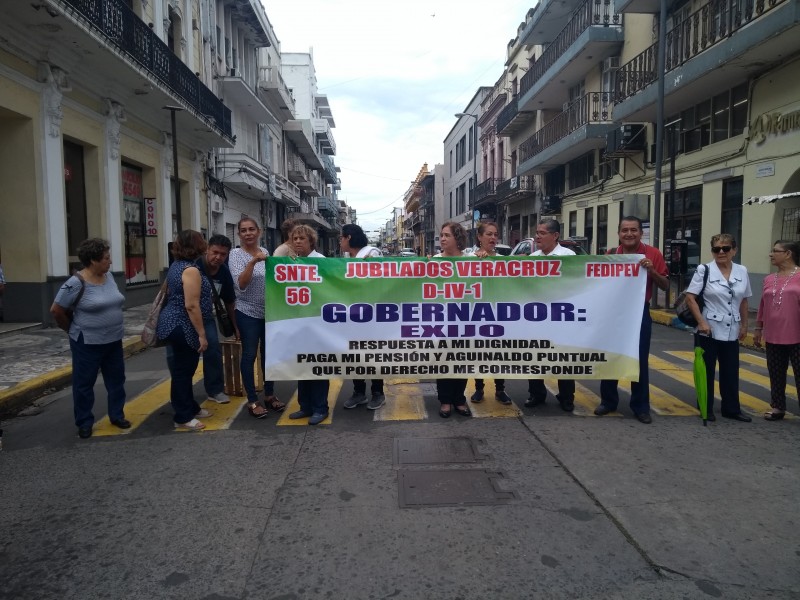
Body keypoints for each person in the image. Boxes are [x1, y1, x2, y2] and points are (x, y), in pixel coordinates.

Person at [51, 238, 128, 439]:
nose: (110, 262)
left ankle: (117, 415)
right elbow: (56, 310)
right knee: (84, 384)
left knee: (117, 380)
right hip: (88, 342)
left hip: (113, 340)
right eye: (106, 258)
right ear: (93, 260)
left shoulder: (109, 277)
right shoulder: (75, 283)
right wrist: (72, 330)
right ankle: (84, 422)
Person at [595, 216, 669, 424]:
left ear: (640, 232)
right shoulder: (610, 255)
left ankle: (640, 406)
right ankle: (608, 402)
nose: (629, 234)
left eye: (633, 230)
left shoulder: (653, 254)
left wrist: (651, 270)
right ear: (619, 233)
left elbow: (664, 285)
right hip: (613, 313)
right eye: (625, 230)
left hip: (639, 312)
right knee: (610, 356)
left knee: (639, 359)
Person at [684, 234, 752, 422]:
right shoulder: (704, 270)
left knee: (730, 371)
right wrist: (701, 322)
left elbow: (744, 300)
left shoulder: (742, 271)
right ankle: (705, 406)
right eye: (716, 249)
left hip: (732, 328)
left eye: (726, 248)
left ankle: (732, 408)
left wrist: (745, 325)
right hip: (709, 329)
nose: (721, 252)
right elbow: (690, 298)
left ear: (734, 250)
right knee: (706, 369)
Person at [156, 230, 214, 430]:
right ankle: (182, 416)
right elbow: (191, 305)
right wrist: (201, 334)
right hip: (182, 325)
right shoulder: (191, 270)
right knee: (183, 371)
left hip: (175, 323)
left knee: (186, 369)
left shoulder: (177, 266)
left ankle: (191, 406)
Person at [229, 217, 285, 418]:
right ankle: (252, 400)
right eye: (243, 230)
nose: (248, 233)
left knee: (269, 355)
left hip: (268, 312)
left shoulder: (266, 253)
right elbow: (241, 284)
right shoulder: (235, 255)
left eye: (251, 229)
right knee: (249, 355)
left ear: (259, 231)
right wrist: (252, 262)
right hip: (247, 312)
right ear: (239, 234)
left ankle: (269, 395)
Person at [526, 218, 577, 412]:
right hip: (537, 316)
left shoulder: (569, 256)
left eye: (542, 233)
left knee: (563, 356)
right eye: (537, 233)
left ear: (555, 235)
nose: (537, 236)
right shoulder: (533, 258)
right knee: (535, 355)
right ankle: (536, 393)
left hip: (561, 314)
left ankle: (566, 396)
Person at [339, 223, 386, 410]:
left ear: (349, 237)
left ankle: (377, 392)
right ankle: (359, 392)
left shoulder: (371, 253)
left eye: (341, 238)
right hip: (354, 313)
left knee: (373, 353)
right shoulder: (349, 257)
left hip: (372, 314)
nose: (340, 242)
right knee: (355, 354)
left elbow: (375, 282)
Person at [287, 225, 330, 425]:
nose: (297, 242)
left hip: (318, 322)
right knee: (301, 364)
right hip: (298, 321)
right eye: (294, 238)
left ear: (310, 241)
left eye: (301, 238)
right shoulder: (290, 261)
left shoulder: (321, 261)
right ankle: (305, 406)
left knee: (318, 366)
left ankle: (320, 408)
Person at [754, 240, 800, 421]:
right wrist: (758, 327)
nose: (771, 254)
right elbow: (762, 305)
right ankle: (778, 406)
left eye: (775, 251)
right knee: (775, 371)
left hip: (796, 334)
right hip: (773, 334)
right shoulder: (768, 279)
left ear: (788, 254)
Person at [471, 221, 512, 405]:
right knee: (479, 352)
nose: (493, 238)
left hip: (499, 312)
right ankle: (479, 388)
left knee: (498, 352)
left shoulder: (504, 259)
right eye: (489, 234)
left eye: (495, 234)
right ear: (479, 237)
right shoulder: (470, 258)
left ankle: (500, 389)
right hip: (477, 311)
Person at [434, 222, 472, 418]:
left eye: (447, 235)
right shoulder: (434, 261)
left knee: (462, 360)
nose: (442, 239)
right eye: (441, 235)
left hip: (465, 318)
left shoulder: (471, 261)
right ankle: (445, 400)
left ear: (457, 239)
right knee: (444, 360)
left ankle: (459, 399)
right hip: (442, 320)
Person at [196, 235, 238, 403]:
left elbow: (229, 302)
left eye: (223, 254)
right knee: (181, 358)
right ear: (207, 249)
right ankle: (180, 394)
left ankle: (215, 390)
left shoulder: (224, 272)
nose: (218, 257)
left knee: (213, 350)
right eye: (215, 252)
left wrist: (236, 327)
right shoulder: (195, 265)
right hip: (184, 317)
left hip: (206, 317)